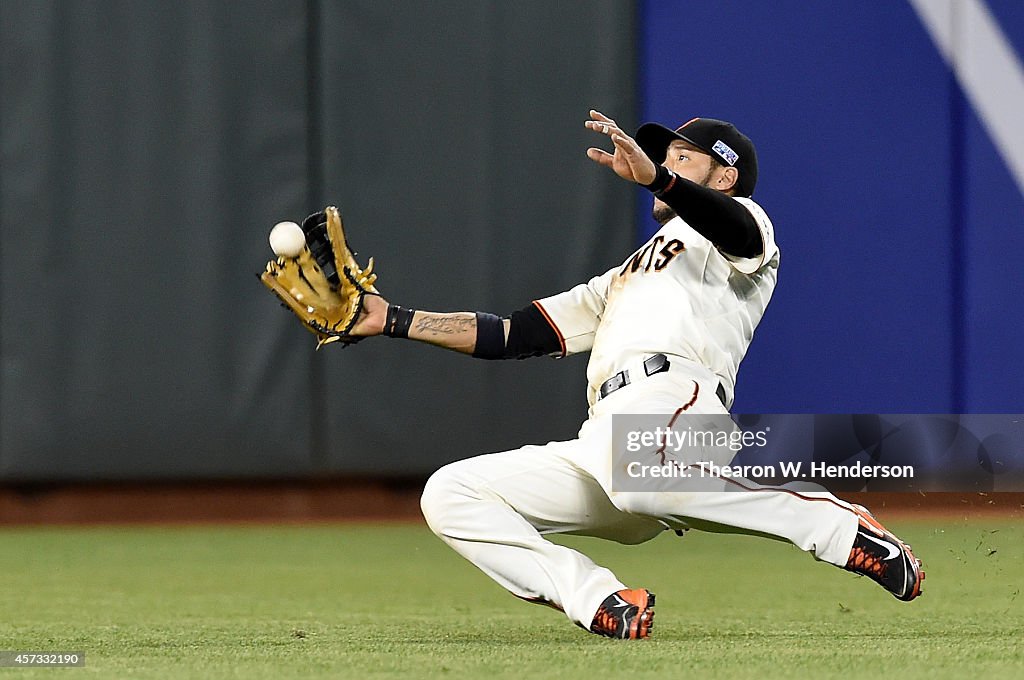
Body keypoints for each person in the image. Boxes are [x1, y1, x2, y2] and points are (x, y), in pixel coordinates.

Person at [347, 110, 924, 639]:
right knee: (451, 492)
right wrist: (391, 318)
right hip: (605, 436)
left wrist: (660, 181)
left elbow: (738, 233)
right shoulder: (626, 274)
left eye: (683, 157)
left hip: (676, 400)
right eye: (666, 157)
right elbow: (514, 335)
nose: (667, 162)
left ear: (724, 177)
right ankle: (601, 601)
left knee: (640, 477)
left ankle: (841, 529)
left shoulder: (739, 225)